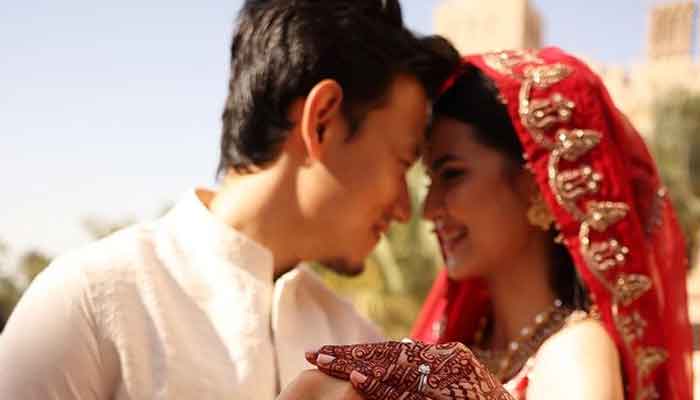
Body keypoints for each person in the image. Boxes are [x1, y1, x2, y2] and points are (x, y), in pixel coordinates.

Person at [0, 1, 460, 398]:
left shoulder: (354, 342)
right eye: (403, 162)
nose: (405, 210)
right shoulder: (89, 304)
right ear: (321, 120)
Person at [299, 48, 693, 400]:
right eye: (430, 181)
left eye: (452, 175)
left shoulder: (576, 352)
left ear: (536, 186)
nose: (430, 208)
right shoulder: (463, 345)